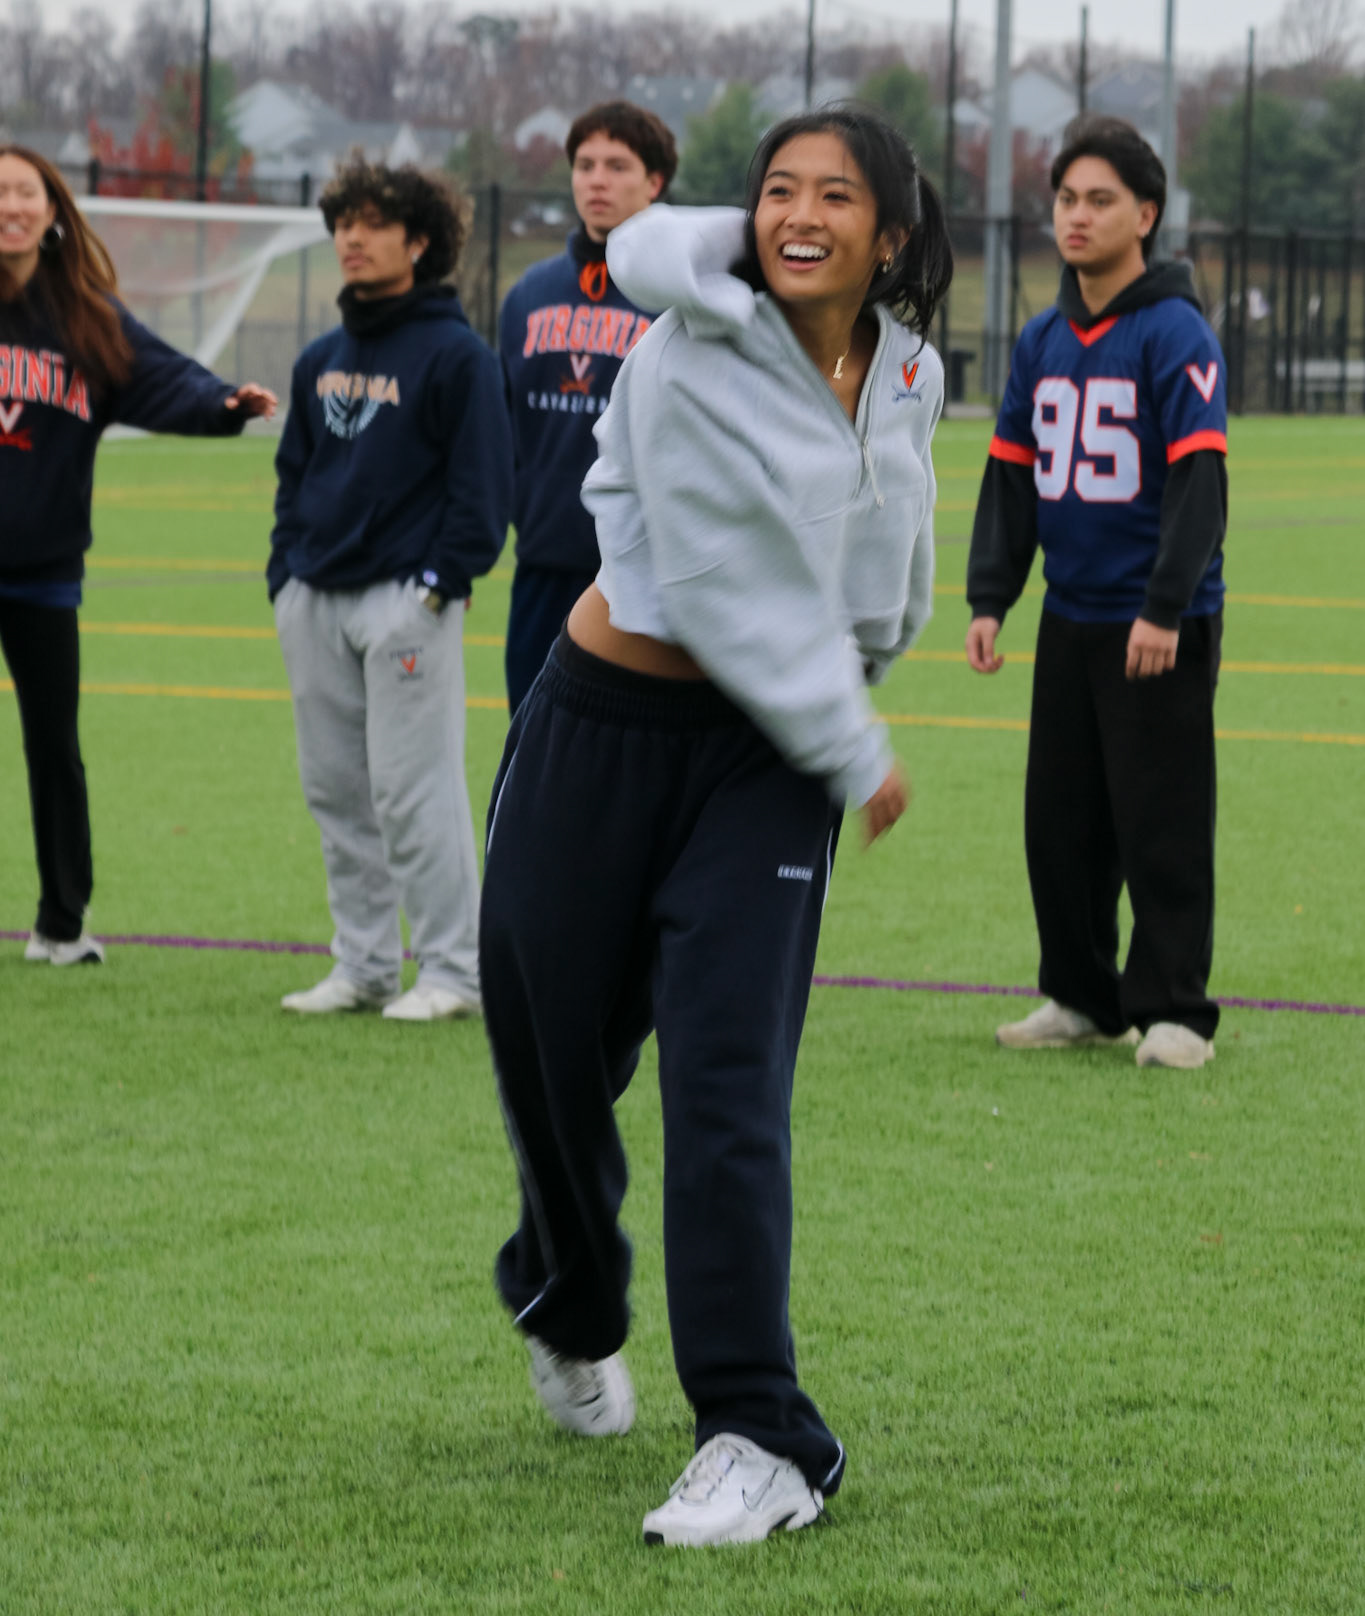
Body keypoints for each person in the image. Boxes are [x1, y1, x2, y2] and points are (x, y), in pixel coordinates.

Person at [479, 104, 951, 1545]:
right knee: (555, 1057)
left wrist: (853, 691)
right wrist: (851, 737)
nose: (802, 214)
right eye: (779, 189)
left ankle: (759, 1432)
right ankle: (572, 1297)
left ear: (891, 232)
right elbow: (716, 576)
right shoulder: (688, 349)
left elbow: (890, 551)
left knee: (727, 1082)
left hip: (766, 762)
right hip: (598, 729)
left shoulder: (910, 368)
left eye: (837, 195)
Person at [965, 115, 1228, 1072]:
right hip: (1068, 616)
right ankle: (1080, 994)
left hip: (1154, 622)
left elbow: (1199, 481)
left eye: (1100, 200)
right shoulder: (1042, 338)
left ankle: (1174, 1010)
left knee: (1159, 820)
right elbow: (1011, 474)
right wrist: (990, 595)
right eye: (1066, 199)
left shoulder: (1173, 330)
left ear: (1144, 215)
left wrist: (1164, 607)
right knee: (1060, 822)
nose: (1076, 216)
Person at [0, 145, 277, 966]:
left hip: (43, 573)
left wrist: (223, 403)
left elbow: (163, 378)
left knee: (54, 746)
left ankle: (61, 922)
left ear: (53, 212)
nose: (10, 207)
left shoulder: (86, 318)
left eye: (25, 193)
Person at [271, 157, 512, 1022]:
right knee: (335, 792)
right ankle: (365, 965)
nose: (353, 238)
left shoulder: (459, 357)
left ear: (419, 242)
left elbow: (484, 492)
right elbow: (293, 476)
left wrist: (437, 587)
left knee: (414, 794)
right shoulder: (319, 358)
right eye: (344, 223)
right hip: (315, 598)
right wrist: (284, 580)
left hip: (406, 604)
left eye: (374, 224)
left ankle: (453, 971)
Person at [498, 100, 677, 713]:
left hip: (646, 577)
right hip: (544, 565)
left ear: (655, 182)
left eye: (617, 166)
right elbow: (506, 432)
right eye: (585, 164)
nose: (597, 180)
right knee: (530, 742)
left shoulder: (682, 295)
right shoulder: (529, 294)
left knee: (632, 752)